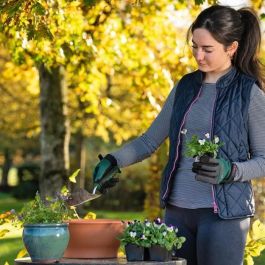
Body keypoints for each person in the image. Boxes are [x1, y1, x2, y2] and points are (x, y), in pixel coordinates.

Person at [92, 5, 265, 265]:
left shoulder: (249, 93)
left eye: (208, 49)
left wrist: (231, 171)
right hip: (176, 212)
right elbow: (149, 141)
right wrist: (113, 161)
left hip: (224, 216)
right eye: (195, 46)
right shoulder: (185, 87)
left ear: (232, 48)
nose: (198, 56)